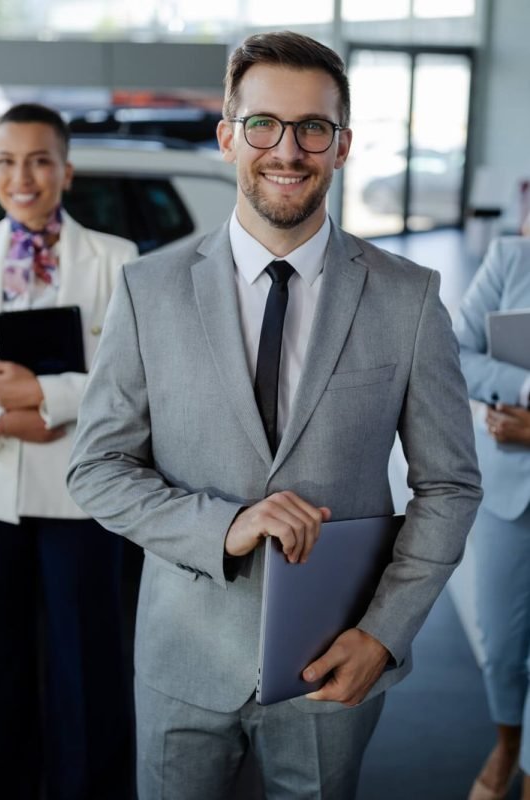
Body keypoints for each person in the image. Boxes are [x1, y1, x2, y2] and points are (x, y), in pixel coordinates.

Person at [68, 31, 482, 800]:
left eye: (312, 128)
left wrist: (383, 636)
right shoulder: (147, 291)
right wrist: (223, 526)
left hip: (335, 662)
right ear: (228, 136)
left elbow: (451, 487)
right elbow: (95, 468)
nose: (287, 150)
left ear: (343, 144)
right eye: (263, 124)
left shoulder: (410, 298)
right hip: (182, 661)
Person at [0, 103, 138, 800]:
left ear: (66, 171)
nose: (23, 176)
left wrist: (44, 396)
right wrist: (5, 419)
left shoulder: (116, 259)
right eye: (8, 160)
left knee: (87, 670)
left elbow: (126, 379)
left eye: (40, 160)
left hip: (83, 496)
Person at [454, 235, 530, 800]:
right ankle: (508, 744)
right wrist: (525, 386)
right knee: (501, 643)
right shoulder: (513, 258)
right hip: (510, 491)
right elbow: (455, 349)